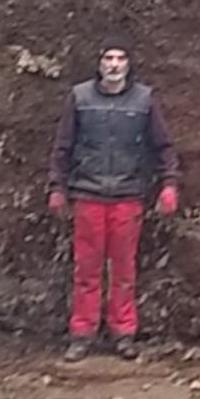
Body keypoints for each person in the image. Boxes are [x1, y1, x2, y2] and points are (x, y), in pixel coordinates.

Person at [46, 41, 181, 360]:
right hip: (88, 195)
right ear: (99, 64)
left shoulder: (144, 100)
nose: (114, 64)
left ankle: (123, 333)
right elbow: (62, 146)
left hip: (128, 196)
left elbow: (164, 147)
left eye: (121, 58)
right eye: (108, 58)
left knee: (123, 269)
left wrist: (169, 185)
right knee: (86, 269)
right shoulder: (79, 98)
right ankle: (82, 333)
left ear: (129, 65)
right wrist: (57, 187)